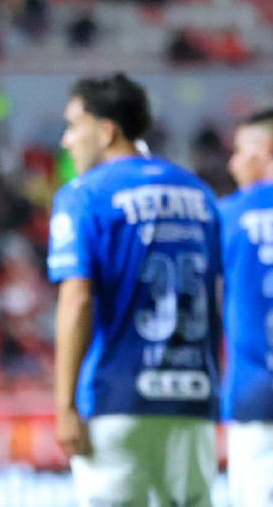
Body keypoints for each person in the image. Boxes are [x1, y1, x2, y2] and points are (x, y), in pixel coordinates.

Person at [49, 73, 221, 507]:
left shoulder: (84, 195)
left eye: (74, 125)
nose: (67, 140)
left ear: (107, 131)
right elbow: (218, 296)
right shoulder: (201, 195)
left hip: (117, 400)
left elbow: (77, 299)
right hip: (192, 400)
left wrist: (65, 404)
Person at [220, 108, 273, 507]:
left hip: (255, 396)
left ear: (266, 149)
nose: (232, 164)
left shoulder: (230, 215)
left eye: (239, 151)